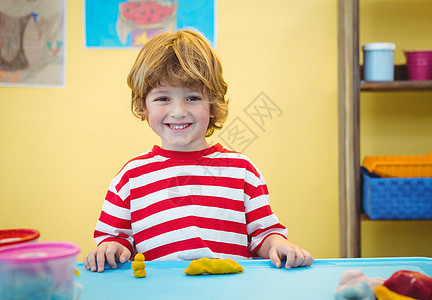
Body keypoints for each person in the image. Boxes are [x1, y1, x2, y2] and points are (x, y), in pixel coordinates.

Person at [83, 29, 313, 273]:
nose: (179, 111)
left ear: (212, 104)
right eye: (163, 99)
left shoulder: (242, 171)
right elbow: (115, 239)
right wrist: (109, 248)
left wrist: (279, 244)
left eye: (192, 98)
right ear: (143, 106)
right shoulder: (130, 177)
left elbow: (263, 234)